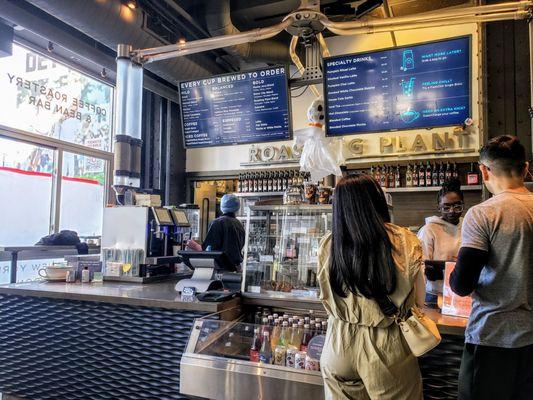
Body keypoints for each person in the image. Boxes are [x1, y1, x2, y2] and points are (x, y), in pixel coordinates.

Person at [318, 174, 425, 400]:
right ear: (377, 200)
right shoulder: (404, 240)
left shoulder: (328, 243)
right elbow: (420, 300)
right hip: (387, 347)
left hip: (338, 342)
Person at [450, 135, 533, 400]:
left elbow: (462, 284)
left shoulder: (483, 213)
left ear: (484, 170)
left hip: (491, 337)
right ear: (526, 167)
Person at [417, 179, 464, 308]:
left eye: (457, 206)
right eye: (446, 207)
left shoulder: (468, 226)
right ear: (439, 207)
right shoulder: (429, 230)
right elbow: (421, 263)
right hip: (435, 293)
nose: (452, 211)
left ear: (463, 204)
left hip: (461, 291)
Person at [187, 194, 245, 270]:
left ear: (222, 207)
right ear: (237, 207)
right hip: (236, 268)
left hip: (221, 268)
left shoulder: (218, 222)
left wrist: (194, 245)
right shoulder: (239, 224)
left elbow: (208, 251)